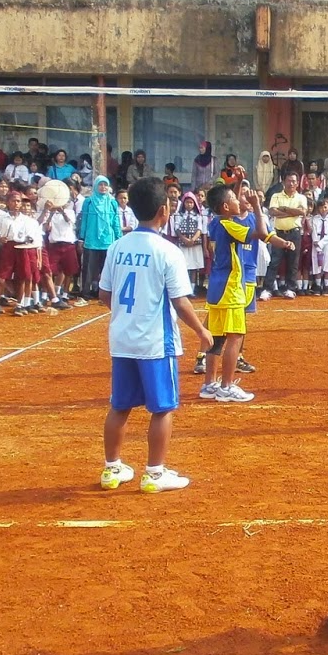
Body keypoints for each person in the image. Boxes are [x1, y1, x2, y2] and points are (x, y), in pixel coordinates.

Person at [97, 176, 213, 494]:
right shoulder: (167, 251)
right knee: (162, 407)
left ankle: (111, 468)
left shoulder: (117, 247)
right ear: (165, 210)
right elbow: (180, 301)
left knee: (119, 405)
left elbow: (104, 296)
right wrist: (202, 331)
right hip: (154, 341)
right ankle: (155, 472)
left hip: (121, 338)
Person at [201, 178, 267, 404]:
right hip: (230, 289)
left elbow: (227, 203)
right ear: (226, 207)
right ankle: (227, 386)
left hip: (216, 288)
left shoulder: (215, 222)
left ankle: (209, 384)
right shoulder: (230, 225)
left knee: (216, 339)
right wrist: (257, 206)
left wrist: (236, 184)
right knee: (235, 337)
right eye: (234, 199)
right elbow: (259, 232)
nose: (239, 200)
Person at [263, 171, 307, 299]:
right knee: (275, 261)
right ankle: (267, 289)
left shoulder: (301, 197)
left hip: (295, 232)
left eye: (294, 181)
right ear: (284, 181)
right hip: (279, 233)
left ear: (297, 183)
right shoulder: (276, 196)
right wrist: (292, 212)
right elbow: (272, 212)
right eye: (289, 180)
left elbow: (302, 212)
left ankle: (290, 288)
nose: (291, 183)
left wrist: (284, 209)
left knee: (293, 261)